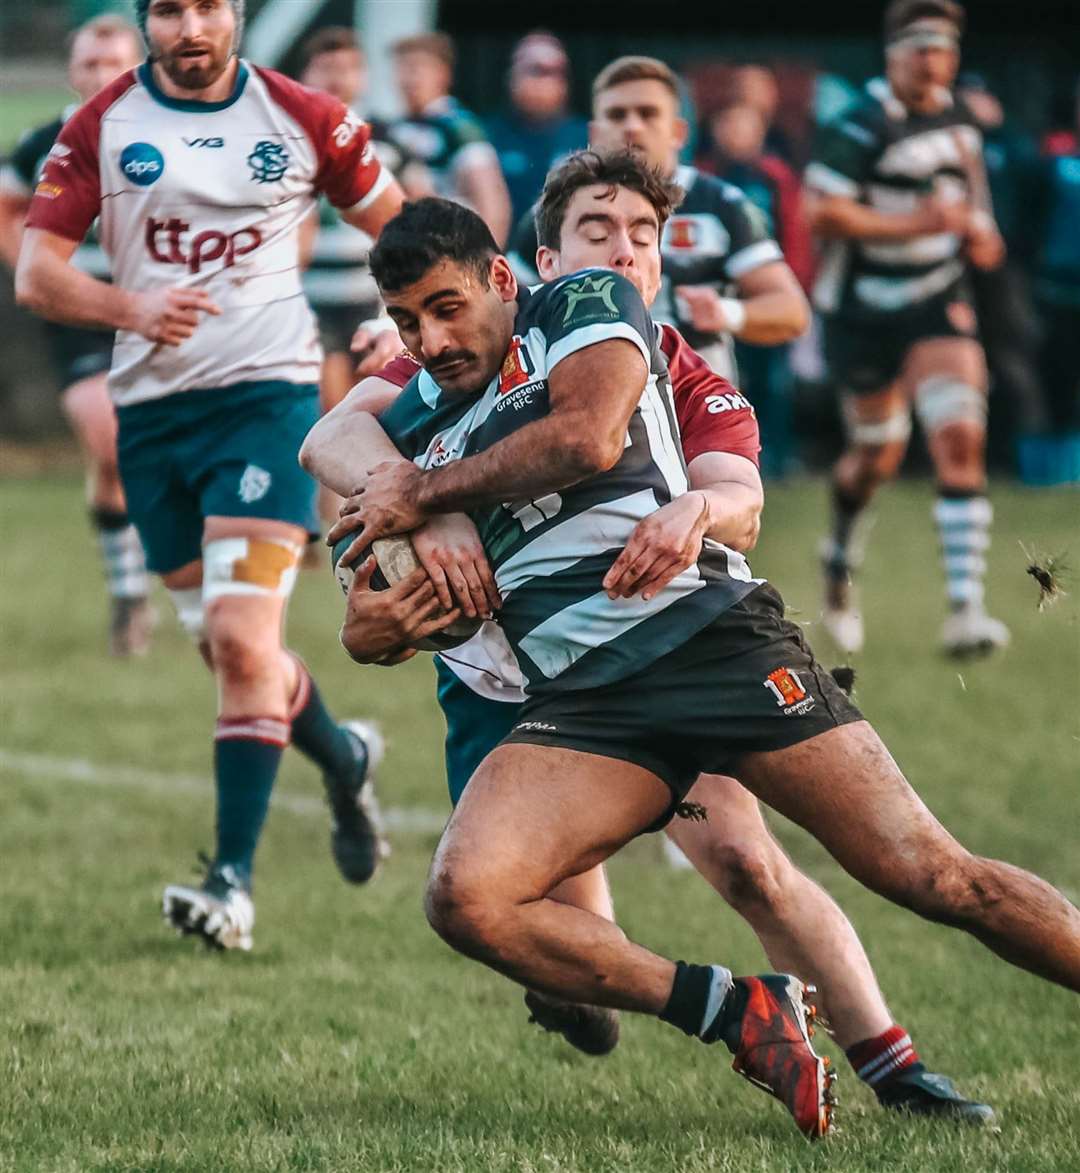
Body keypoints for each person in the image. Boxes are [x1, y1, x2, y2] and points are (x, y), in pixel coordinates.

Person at [331, 190, 1080, 1139]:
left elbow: (588, 438)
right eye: (406, 321)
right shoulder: (411, 415)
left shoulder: (579, 307)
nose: (430, 339)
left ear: (502, 279)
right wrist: (383, 607)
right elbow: (357, 575)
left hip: (710, 641)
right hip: (582, 698)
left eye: (446, 309)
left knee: (933, 876)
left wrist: (428, 494)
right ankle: (736, 1009)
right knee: (468, 898)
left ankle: (893, 1055)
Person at [15, 0, 405, 951]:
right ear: (149, 21)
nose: (189, 28)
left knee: (239, 637)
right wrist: (131, 307)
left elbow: (402, 223)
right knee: (233, 655)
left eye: (207, 9)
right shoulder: (102, 123)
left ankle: (230, 884)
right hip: (153, 420)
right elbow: (36, 272)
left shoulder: (305, 115)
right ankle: (344, 753)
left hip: (267, 403)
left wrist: (400, 320)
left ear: (235, 15)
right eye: (169, 11)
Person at [805, 0, 1009, 656]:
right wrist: (913, 225)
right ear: (893, 56)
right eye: (920, 48)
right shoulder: (859, 125)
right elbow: (822, 212)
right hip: (863, 310)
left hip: (938, 300)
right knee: (877, 457)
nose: (933, 61)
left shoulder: (961, 124)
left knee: (959, 435)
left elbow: (979, 216)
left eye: (944, 48)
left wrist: (981, 238)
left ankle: (966, 609)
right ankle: (839, 560)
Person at [507, 56, 809, 389]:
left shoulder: (721, 204)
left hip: (694, 407)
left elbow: (791, 311)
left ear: (678, 132)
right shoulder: (557, 207)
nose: (632, 126)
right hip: (588, 395)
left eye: (648, 113)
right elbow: (504, 307)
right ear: (593, 132)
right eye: (617, 114)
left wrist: (724, 312)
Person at [0, 14, 153, 657]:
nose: (100, 75)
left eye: (112, 62)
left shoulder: (171, 131)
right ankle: (128, 589)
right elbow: (7, 210)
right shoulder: (44, 140)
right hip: (83, 315)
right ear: (71, 70)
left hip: (163, 313)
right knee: (107, 440)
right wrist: (38, 273)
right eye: (88, 63)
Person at [697, 102, 814, 477]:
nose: (735, 134)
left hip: (765, 298)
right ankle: (731, 454)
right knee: (730, 380)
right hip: (716, 301)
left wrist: (793, 287)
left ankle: (779, 454)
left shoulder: (775, 176)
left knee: (774, 382)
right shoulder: (701, 178)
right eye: (728, 123)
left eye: (745, 125)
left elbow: (795, 232)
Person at [387, 32, 511, 244]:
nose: (409, 78)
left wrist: (487, 267)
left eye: (418, 67)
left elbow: (493, 203)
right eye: (403, 67)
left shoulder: (460, 127)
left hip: (448, 248)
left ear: (443, 73)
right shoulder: (393, 128)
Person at [485, 32, 588, 228]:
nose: (544, 82)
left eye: (555, 72)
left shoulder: (586, 137)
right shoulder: (486, 136)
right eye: (535, 70)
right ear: (511, 76)